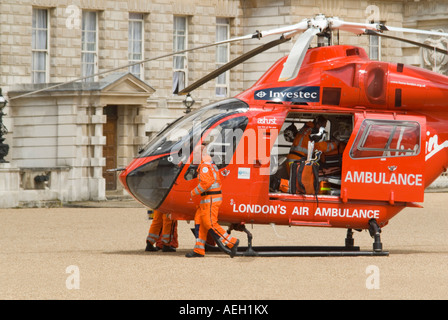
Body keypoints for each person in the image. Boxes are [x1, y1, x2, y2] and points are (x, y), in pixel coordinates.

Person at [186, 142, 239, 258]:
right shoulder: (209, 163)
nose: (193, 156)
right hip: (207, 199)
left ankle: (232, 242)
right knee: (199, 221)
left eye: (195, 153)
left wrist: (193, 192)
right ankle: (199, 250)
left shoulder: (205, 166)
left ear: (201, 153)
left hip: (210, 198)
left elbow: (206, 182)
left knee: (210, 223)